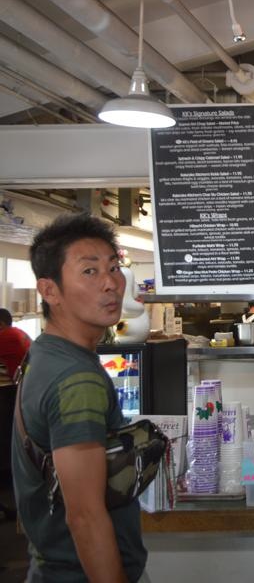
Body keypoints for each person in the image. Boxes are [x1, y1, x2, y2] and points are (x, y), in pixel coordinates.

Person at [13, 212, 147, 581]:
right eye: (89, 271)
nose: (111, 283)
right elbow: (85, 516)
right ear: (49, 291)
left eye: (113, 267)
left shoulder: (44, 352)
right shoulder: (76, 379)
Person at [0, 307, 31, 381]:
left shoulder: (4, 336)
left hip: (20, 381)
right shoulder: (18, 331)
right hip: (29, 377)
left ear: (1, 324)